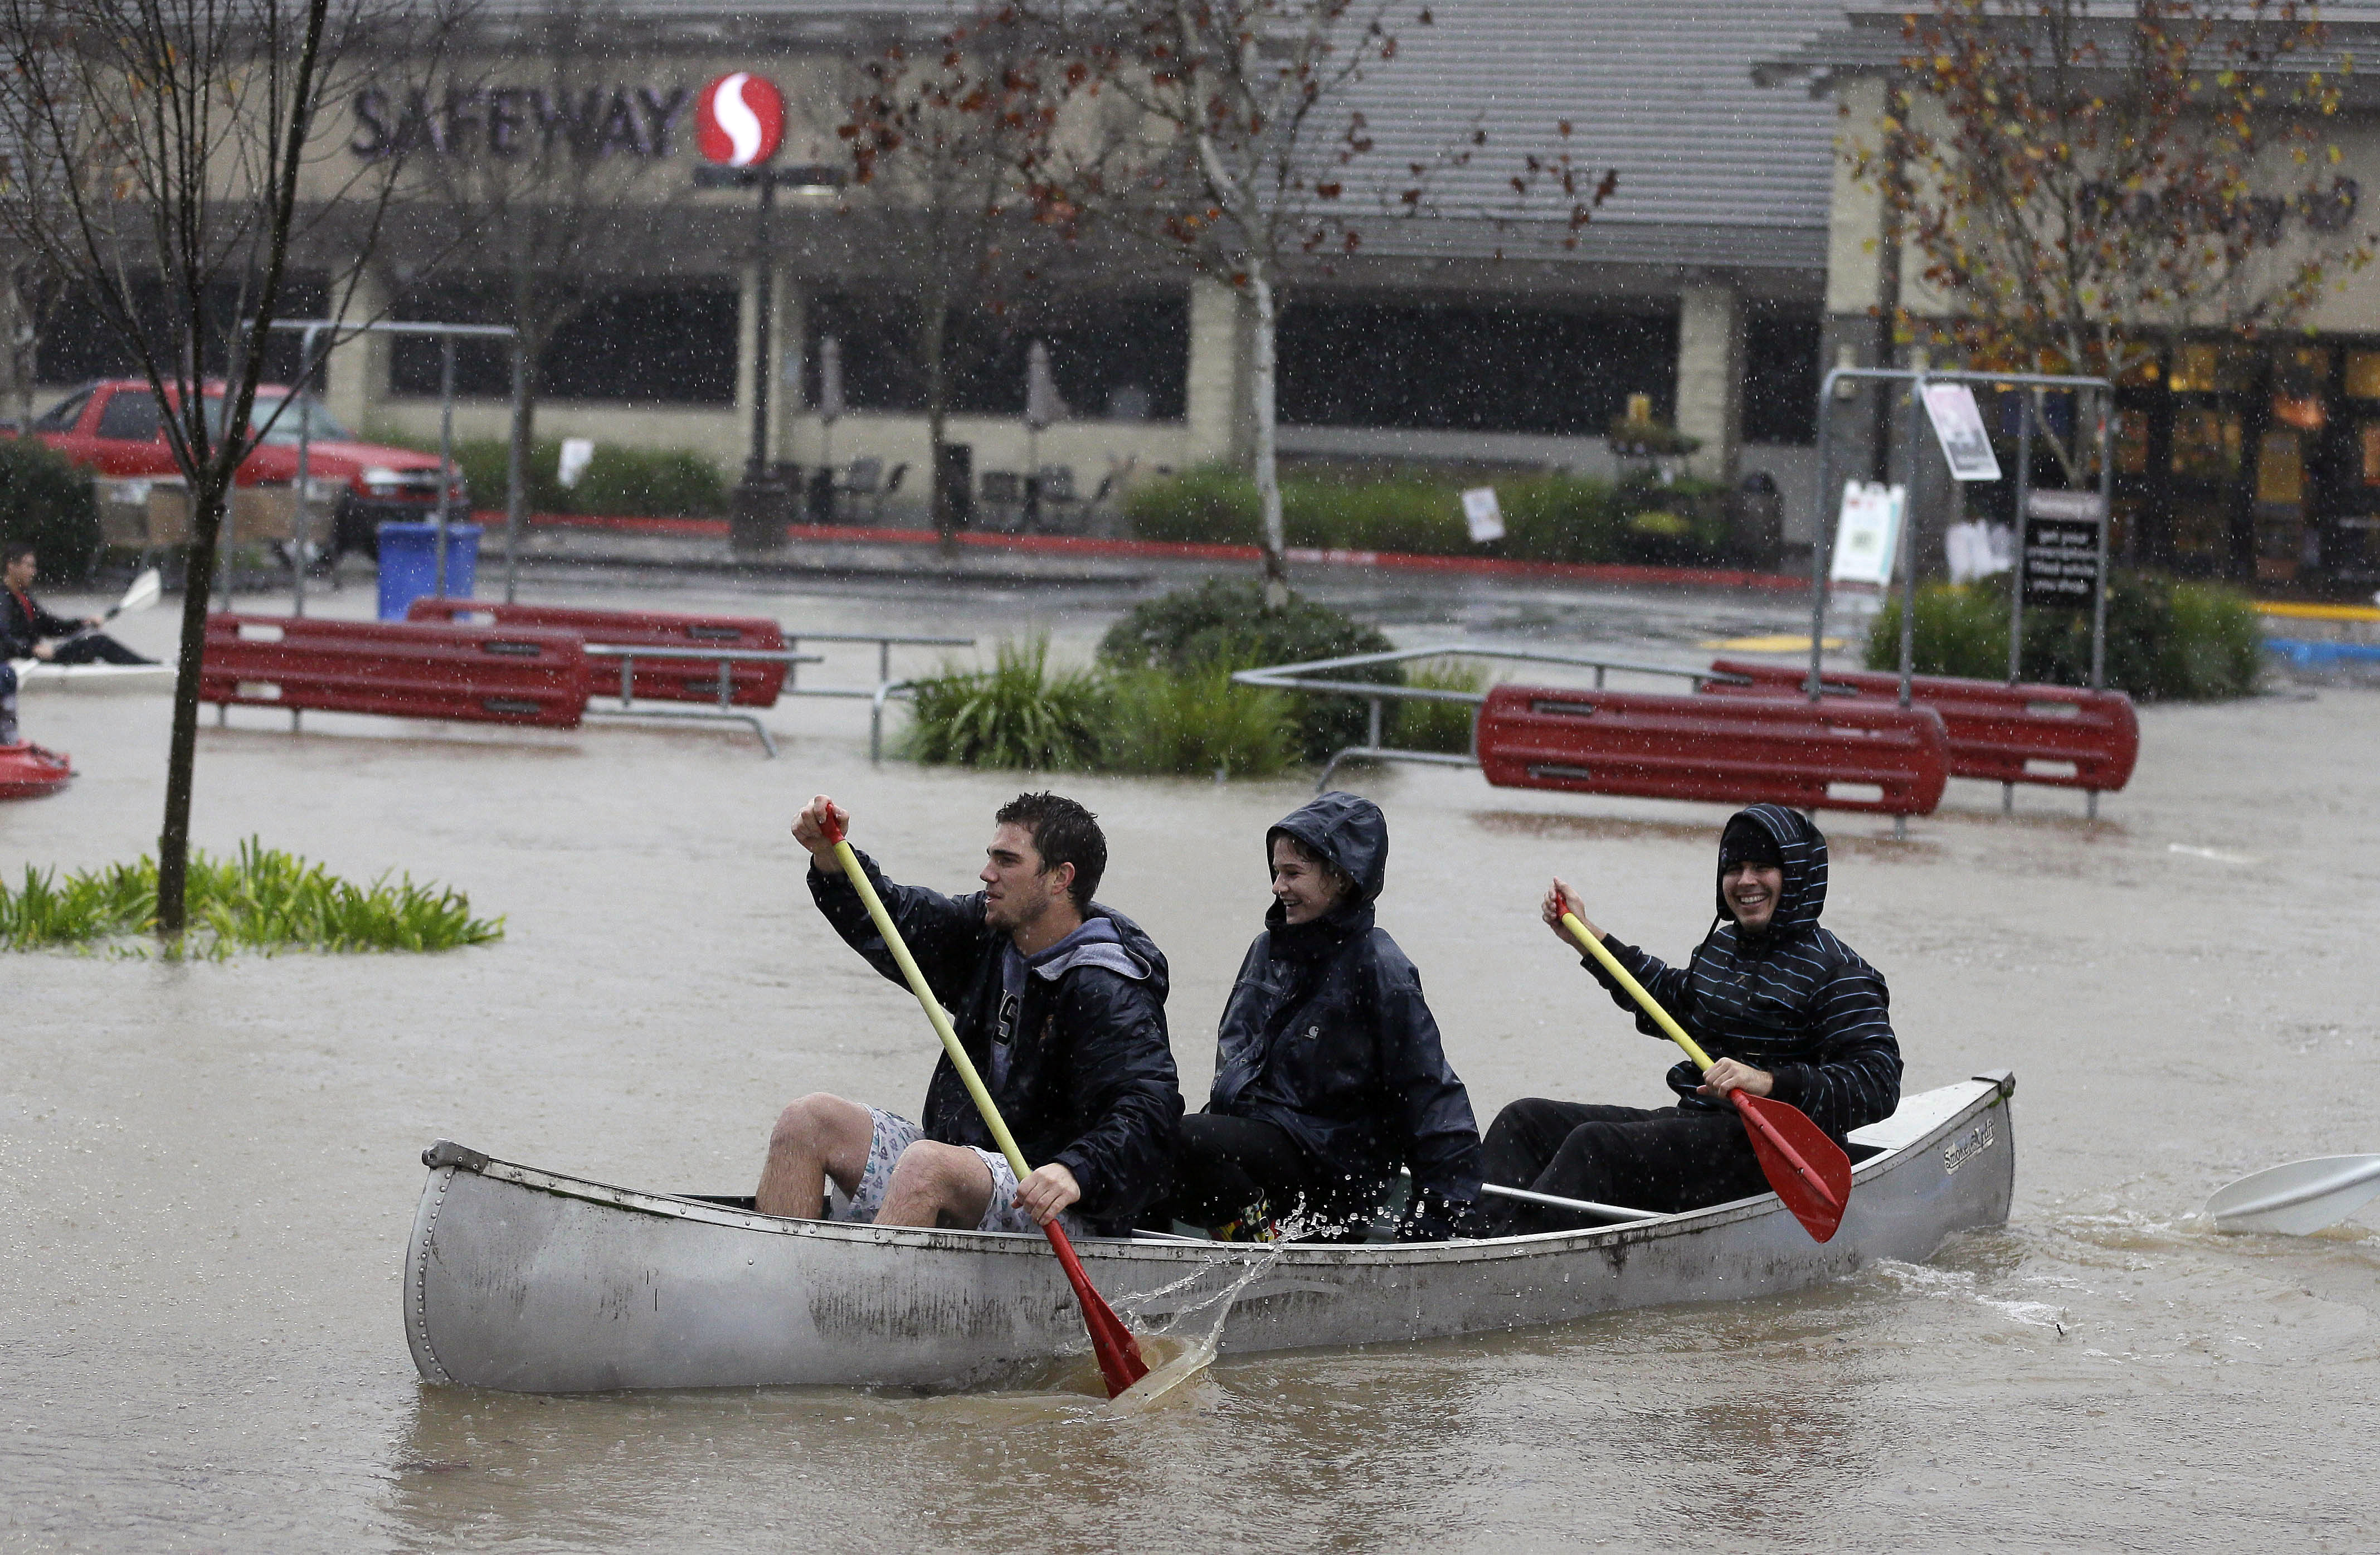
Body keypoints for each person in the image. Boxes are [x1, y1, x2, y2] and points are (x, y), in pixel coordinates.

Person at [756, 790, 1182, 1239]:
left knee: (927, 1165)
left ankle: (864, 1304)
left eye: (1007, 861)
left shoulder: (1109, 985)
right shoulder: (990, 932)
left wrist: (1076, 1169)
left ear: (1060, 878)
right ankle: (778, 1297)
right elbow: (892, 916)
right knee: (807, 1121)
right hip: (965, 1166)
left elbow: (1151, 1112)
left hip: (1056, 1198)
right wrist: (832, 858)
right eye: (990, 858)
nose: (987, 874)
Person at [1482, 803, 1901, 1231]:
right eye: (1734, 868)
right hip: (1701, 1129)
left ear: (1794, 874)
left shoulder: (1840, 973)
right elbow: (1670, 1002)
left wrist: (1767, 1082)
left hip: (1776, 1156)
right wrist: (1585, 937)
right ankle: (1463, 1239)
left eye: (1762, 867)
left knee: (1596, 1146)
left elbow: (1878, 1085)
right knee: (1524, 1121)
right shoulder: (1721, 951)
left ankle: (1506, 1262)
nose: (1746, 881)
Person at [1168, 792, 1485, 1242]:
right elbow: (1235, 1067)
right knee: (1148, 1141)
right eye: (1276, 873)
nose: (1277, 887)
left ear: (1339, 878)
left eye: (1293, 873)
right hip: (1265, 1144)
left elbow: (1429, 1095)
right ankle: (1238, 1227)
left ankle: (1257, 1238)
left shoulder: (1380, 967)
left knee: (1187, 1139)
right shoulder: (1267, 950)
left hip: (1335, 1169)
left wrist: (1447, 1214)